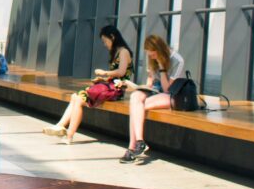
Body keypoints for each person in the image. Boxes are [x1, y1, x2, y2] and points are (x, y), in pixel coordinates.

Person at [42, 25, 134, 144]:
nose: (105, 44)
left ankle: (67, 134)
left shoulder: (123, 52)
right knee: (75, 97)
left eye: (105, 41)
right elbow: (118, 75)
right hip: (111, 87)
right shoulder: (117, 52)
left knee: (79, 98)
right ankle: (61, 126)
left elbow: (121, 72)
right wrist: (103, 79)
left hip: (116, 90)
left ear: (112, 37)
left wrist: (105, 72)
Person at [121, 34, 186, 164]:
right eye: (149, 55)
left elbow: (168, 89)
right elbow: (150, 82)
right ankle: (139, 142)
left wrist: (162, 68)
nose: (151, 57)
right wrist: (138, 87)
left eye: (153, 55)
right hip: (155, 90)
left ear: (160, 50)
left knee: (137, 108)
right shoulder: (150, 57)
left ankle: (132, 148)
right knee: (135, 97)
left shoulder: (178, 60)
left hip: (171, 94)